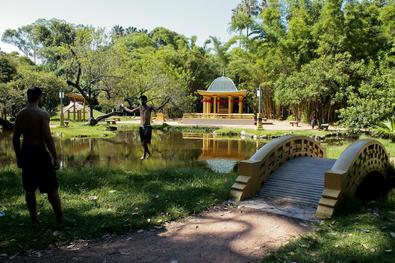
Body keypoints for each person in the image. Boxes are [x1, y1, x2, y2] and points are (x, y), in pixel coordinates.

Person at [13, 86, 64, 224]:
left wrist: (18, 157)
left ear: (28, 97)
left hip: (26, 152)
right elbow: (48, 138)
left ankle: (34, 221)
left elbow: (15, 138)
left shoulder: (20, 114)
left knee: (29, 188)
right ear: (39, 97)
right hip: (40, 152)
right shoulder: (42, 114)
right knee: (52, 188)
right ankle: (60, 219)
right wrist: (55, 157)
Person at [121, 95, 170, 160]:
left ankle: (144, 155)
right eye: (141, 100)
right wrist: (123, 107)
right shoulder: (139, 108)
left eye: (143, 100)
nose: (142, 101)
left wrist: (165, 102)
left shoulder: (149, 107)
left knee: (145, 142)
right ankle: (149, 153)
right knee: (142, 143)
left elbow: (157, 108)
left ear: (146, 100)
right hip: (141, 127)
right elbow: (131, 111)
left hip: (147, 127)